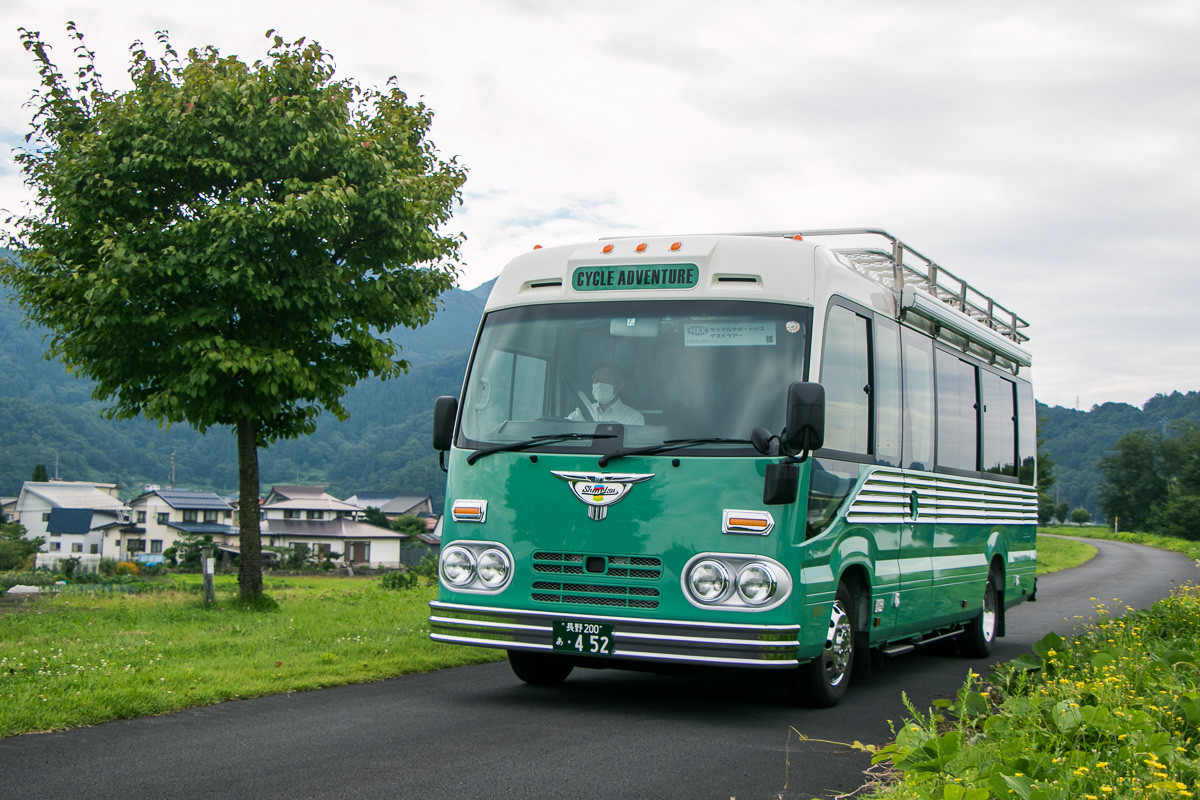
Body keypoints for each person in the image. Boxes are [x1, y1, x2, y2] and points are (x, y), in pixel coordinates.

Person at [568, 365, 644, 425]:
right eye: (596, 379)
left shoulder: (633, 418)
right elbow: (564, 429)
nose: (600, 384)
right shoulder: (581, 413)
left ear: (619, 386)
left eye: (606, 379)